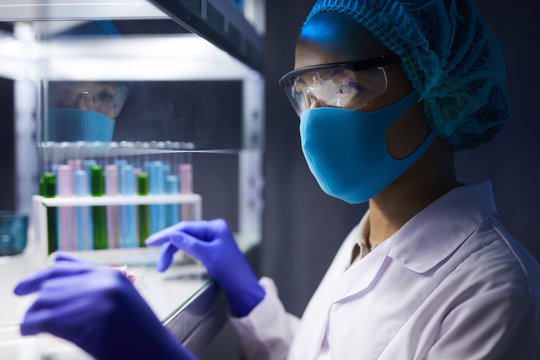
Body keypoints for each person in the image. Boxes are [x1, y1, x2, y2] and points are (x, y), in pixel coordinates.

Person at [15, 0, 540, 359]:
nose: (314, 117)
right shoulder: (372, 238)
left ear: (440, 89)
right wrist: (251, 302)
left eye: (344, 84)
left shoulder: (497, 291)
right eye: (306, 91)